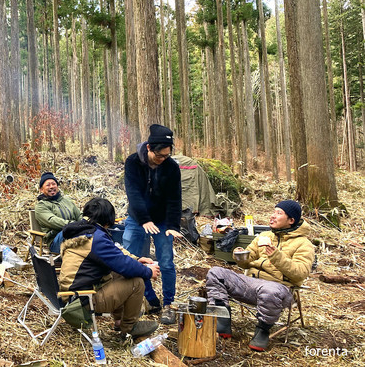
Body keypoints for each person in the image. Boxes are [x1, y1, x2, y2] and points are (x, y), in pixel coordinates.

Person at [206, 200, 315, 351]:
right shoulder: (264, 236)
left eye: (279, 213)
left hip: (278, 290)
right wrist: (240, 255)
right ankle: (222, 319)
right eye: (274, 211)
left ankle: (262, 330)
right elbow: (247, 261)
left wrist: (276, 256)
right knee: (216, 273)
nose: (273, 216)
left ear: (291, 220)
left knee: (270, 290)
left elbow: (300, 274)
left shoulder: (304, 244)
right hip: (251, 284)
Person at [59, 197, 161, 340]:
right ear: (108, 219)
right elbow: (123, 265)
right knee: (137, 282)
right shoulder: (96, 238)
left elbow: (115, 252)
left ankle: (119, 321)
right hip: (82, 301)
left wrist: (137, 259)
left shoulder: (82, 230)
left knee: (115, 273)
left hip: (72, 294)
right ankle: (129, 326)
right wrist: (148, 272)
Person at [123, 124, 182, 324]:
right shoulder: (133, 162)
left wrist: (173, 225)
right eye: (160, 156)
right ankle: (147, 300)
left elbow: (175, 198)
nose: (163, 159)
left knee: (165, 262)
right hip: (137, 218)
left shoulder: (172, 167)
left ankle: (169, 305)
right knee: (133, 259)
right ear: (149, 148)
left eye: (167, 155)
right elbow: (133, 194)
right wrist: (144, 219)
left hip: (162, 220)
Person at [34, 171, 81, 253]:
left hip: (76, 231)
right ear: (41, 189)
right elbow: (53, 221)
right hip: (56, 241)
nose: (51, 187)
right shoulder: (41, 206)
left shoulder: (67, 200)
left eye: (54, 184)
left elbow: (79, 215)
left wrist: (86, 223)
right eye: (48, 185)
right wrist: (74, 225)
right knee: (69, 231)